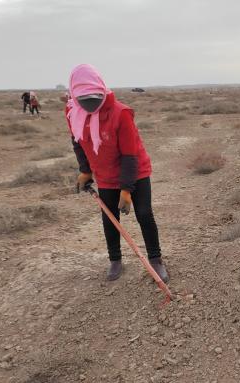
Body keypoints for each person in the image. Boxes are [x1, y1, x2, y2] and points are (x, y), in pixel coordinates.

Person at [66, 63, 168, 282]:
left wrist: (126, 190)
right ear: (74, 96)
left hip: (135, 172)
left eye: (94, 99)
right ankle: (115, 259)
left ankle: (155, 259)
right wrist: (85, 171)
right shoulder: (72, 113)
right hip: (105, 175)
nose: (90, 106)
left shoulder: (120, 113)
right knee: (110, 217)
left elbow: (129, 155)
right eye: (84, 100)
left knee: (143, 214)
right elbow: (77, 142)